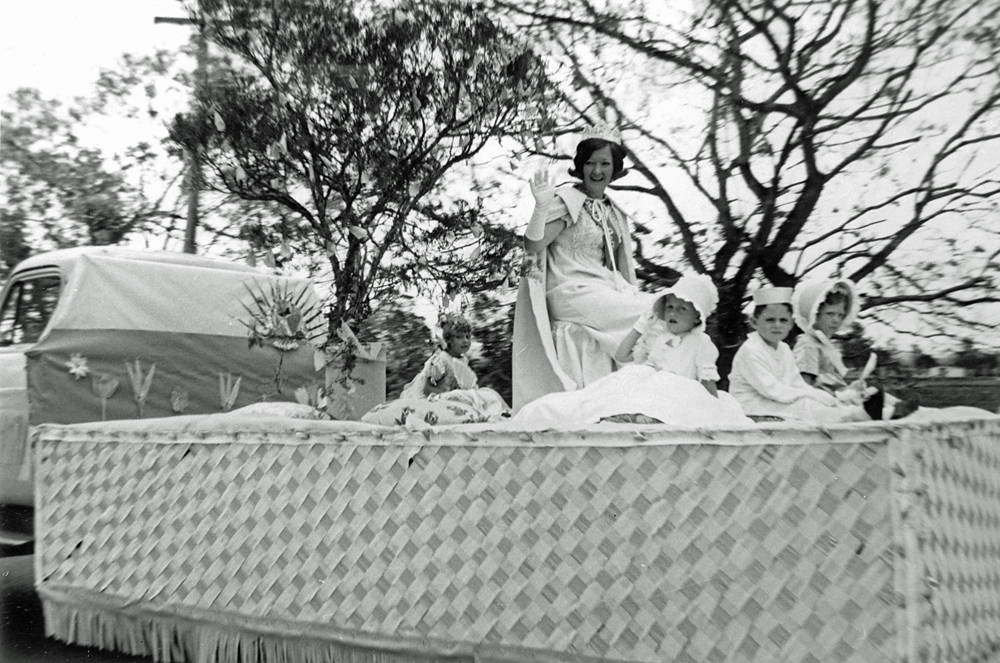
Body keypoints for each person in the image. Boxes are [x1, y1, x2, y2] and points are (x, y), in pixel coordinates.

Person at [511, 124, 655, 412]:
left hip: (601, 288)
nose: (597, 170)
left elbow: (618, 267)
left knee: (656, 308)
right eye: (590, 163)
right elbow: (533, 246)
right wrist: (540, 208)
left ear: (615, 168)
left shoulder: (614, 211)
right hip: (569, 290)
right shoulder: (566, 201)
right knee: (647, 316)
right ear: (580, 166)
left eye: (605, 164)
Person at [509, 273, 750, 428]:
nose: (673, 313)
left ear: (698, 317)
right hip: (646, 380)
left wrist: (714, 409)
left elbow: (707, 382)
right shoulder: (658, 337)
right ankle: (606, 414)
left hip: (678, 388)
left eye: (682, 309)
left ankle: (638, 416)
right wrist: (641, 326)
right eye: (670, 307)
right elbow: (622, 355)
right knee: (599, 395)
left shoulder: (701, 343)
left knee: (669, 398)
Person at [729, 286, 883, 423]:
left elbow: (797, 383)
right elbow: (772, 390)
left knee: (814, 401)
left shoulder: (783, 349)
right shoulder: (750, 350)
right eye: (770, 320)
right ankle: (853, 415)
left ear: (791, 324)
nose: (777, 325)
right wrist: (809, 396)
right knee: (804, 405)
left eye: (783, 320)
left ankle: (855, 410)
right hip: (751, 406)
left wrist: (825, 397)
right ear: (754, 322)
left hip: (774, 401)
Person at [791, 278, 918, 419]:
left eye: (840, 315)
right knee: (869, 402)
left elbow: (833, 381)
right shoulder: (808, 344)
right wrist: (844, 395)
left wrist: (851, 388)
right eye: (830, 314)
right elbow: (805, 387)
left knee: (874, 391)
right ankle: (891, 413)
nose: (836, 320)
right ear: (815, 315)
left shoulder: (825, 344)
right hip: (825, 404)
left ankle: (902, 409)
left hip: (839, 397)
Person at [362, 313, 510, 426]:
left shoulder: (462, 360)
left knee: (484, 394)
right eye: (459, 337)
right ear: (449, 340)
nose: (465, 341)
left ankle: (497, 414)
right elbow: (427, 388)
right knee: (462, 397)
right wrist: (448, 393)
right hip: (429, 396)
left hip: (447, 393)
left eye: (467, 336)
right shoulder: (441, 359)